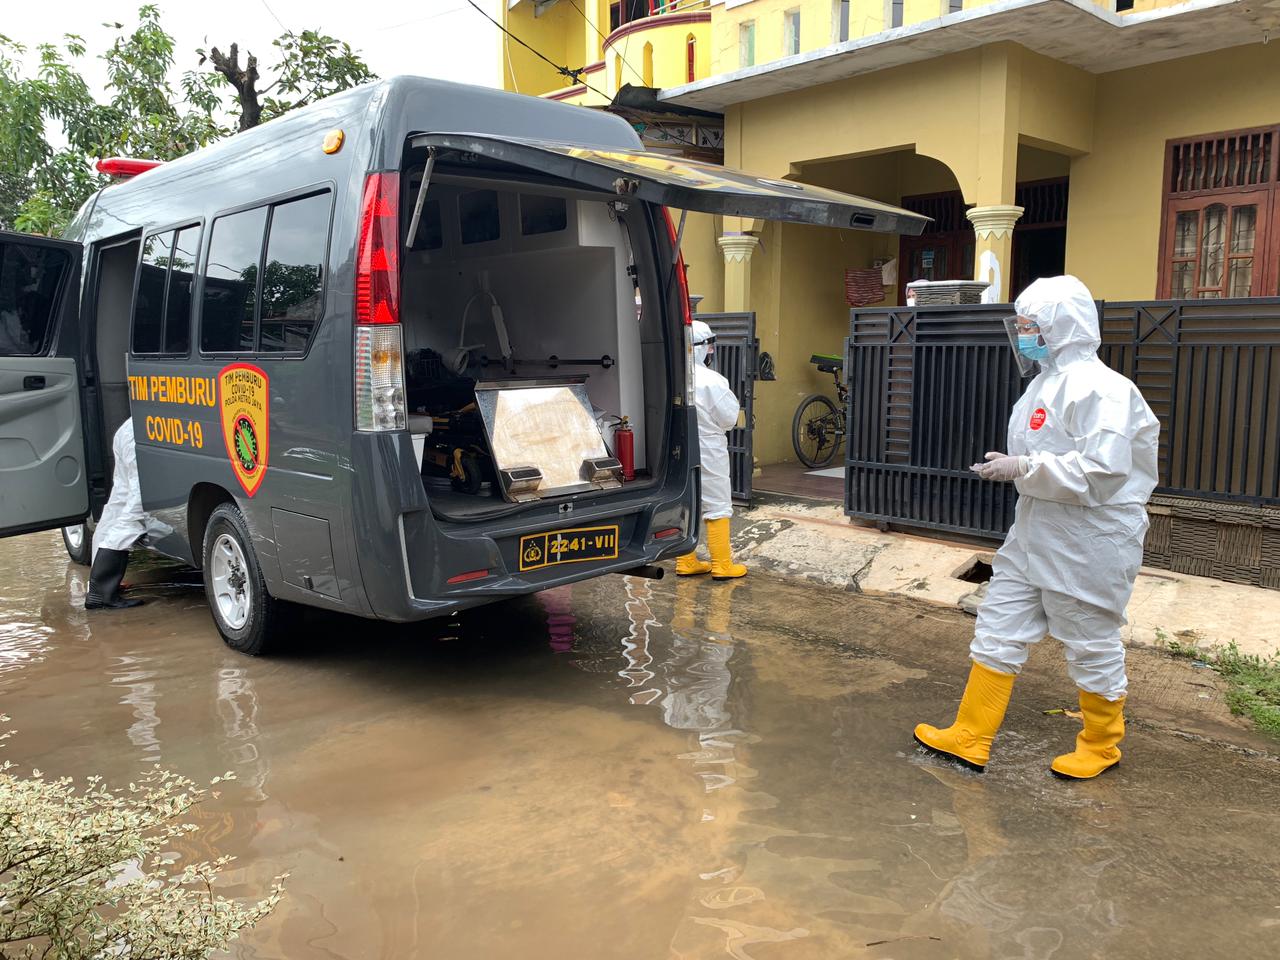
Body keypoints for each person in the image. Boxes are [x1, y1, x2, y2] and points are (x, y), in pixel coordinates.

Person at [913, 275, 1159, 780]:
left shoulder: (1106, 390)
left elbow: (1104, 472)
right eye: (1021, 325)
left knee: (1089, 639)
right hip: (1034, 528)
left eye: (1032, 325)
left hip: (1090, 536)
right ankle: (970, 734)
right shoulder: (1041, 386)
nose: (1023, 334)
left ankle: (1100, 743)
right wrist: (1019, 466)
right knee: (998, 624)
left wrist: (1026, 468)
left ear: (1061, 326)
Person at [676, 320, 747, 580]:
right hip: (707, 446)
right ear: (703, 347)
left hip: (676, 446)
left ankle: (686, 560)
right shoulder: (711, 381)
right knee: (717, 502)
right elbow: (729, 417)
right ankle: (722, 565)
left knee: (686, 500)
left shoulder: (671, 373)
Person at [86, 419, 170, 610]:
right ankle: (103, 594)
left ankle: (97, 586)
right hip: (146, 428)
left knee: (118, 505)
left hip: (128, 427)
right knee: (135, 511)